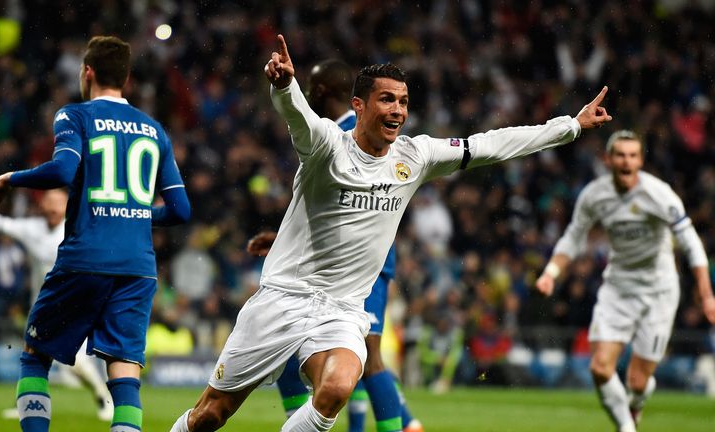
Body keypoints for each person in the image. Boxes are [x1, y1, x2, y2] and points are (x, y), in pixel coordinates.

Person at [170, 34, 610, 432]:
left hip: (341, 310)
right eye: (386, 100)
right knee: (211, 415)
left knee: (339, 385)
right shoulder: (326, 145)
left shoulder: (414, 156)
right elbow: (298, 117)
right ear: (359, 105)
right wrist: (285, 86)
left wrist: (569, 126)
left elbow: (492, 144)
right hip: (282, 298)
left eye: (402, 100)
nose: (397, 110)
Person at [0, 35, 190, 432]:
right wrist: (131, 213)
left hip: (85, 257)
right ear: (127, 78)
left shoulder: (74, 116)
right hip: (138, 267)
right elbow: (180, 211)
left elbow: (62, 171)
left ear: (88, 71)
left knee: (34, 355)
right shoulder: (154, 130)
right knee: (124, 373)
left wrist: (12, 178)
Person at [246, 58, 422, 432]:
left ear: (321, 92)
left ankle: (404, 425)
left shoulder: (346, 132)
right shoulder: (350, 131)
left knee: (367, 357)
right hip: (351, 258)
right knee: (343, 357)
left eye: (312, 88)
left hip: (359, 266)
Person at [535, 130, 715, 432]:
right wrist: (551, 272)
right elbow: (573, 236)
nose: (626, 161)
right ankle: (625, 427)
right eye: (620, 155)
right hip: (617, 288)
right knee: (600, 367)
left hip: (659, 291)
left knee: (637, 382)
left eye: (632, 155)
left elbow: (692, 244)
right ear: (608, 159)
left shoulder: (659, 194)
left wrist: (706, 294)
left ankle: (637, 402)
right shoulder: (594, 195)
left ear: (641, 160)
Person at [0, 187, 114, 421]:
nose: (55, 207)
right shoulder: (32, 229)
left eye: (60, 202)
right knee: (33, 357)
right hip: (41, 306)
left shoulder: (79, 229)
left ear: (68, 205)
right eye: (50, 201)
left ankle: (102, 395)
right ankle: (28, 403)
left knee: (71, 362)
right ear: (42, 205)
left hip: (73, 305)